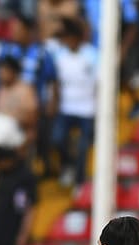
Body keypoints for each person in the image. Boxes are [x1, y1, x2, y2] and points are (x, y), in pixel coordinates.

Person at [50, 17, 98, 188]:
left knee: (83, 147)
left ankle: (79, 181)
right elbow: (55, 81)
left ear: (78, 38)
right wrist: (54, 102)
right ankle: (68, 166)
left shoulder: (92, 55)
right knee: (57, 139)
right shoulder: (60, 56)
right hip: (66, 107)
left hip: (87, 109)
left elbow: (100, 82)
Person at [0, 56, 40, 150]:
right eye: (0, 72)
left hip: (20, 132)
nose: (1, 75)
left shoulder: (25, 90)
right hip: (1, 132)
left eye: (4, 72)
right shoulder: (0, 89)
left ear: (14, 72)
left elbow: (32, 117)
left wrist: (11, 119)